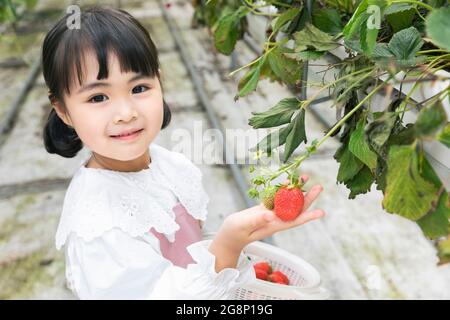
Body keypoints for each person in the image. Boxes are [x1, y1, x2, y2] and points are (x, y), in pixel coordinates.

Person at [41, 6, 325, 299]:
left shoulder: (168, 165)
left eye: (139, 88)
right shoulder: (98, 225)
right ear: (63, 109)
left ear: (159, 83)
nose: (125, 113)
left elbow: (185, 254)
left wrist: (230, 247)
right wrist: (227, 245)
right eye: (98, 97)